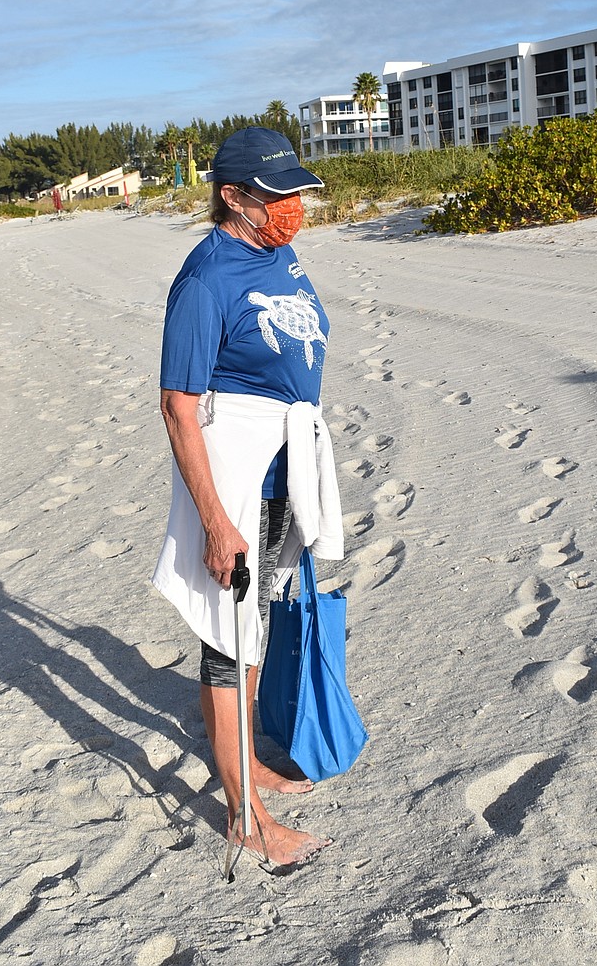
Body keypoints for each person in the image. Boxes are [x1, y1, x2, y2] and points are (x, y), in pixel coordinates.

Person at [153, 127, 344, 866]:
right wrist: (214, 521)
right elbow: (177, 404)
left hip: (285, 467)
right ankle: (244, 817)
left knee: (255, 622)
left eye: (297, 191)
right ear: (232, 197)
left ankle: (251, 764)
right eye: (277, 195)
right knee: (227, 636)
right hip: (239, 475)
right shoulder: (206, 278)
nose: (294, 205)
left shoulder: (278, 251)